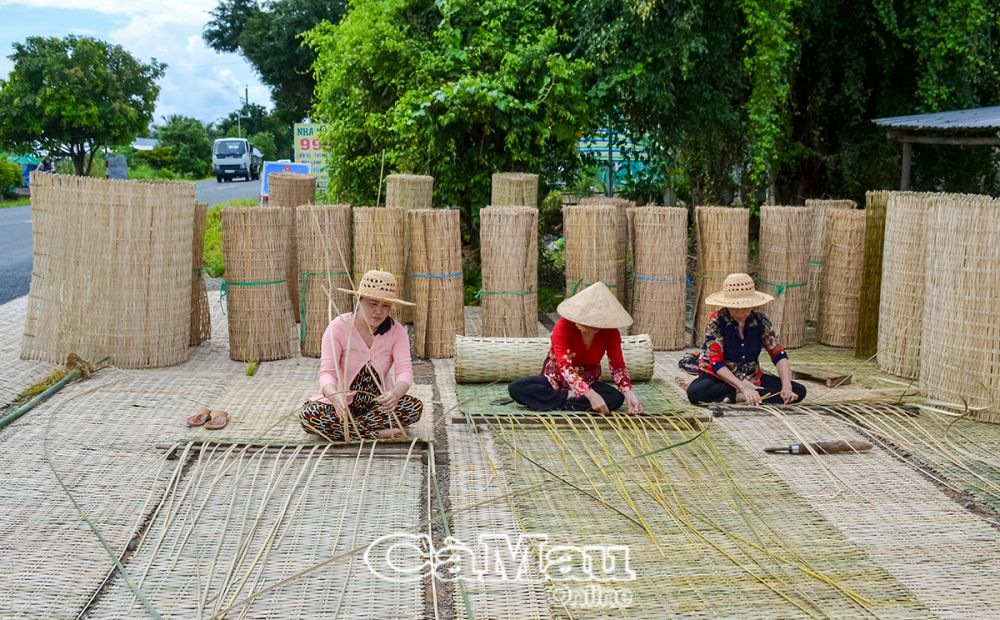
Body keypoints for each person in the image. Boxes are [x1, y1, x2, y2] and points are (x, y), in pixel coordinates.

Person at [299, 270, 423, 441]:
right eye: (373, 303)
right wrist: (334, 396)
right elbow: (327, 373)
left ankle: (350, 430)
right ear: (360, 299)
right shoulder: (338, 327)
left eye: (385, 305)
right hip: (341, 404)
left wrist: (395, 394)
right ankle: (374, 433)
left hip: (378, 405)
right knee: (309, 415)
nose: (379, 311)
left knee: (413, 407)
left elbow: (405, 372)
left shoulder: (397, 332)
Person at [508, 281, 644, 414]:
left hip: (588, 380)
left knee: (615, 398)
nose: (579, 322)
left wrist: (628, 391)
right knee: (517, 388)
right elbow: (565, 367)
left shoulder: (610, 332)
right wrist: (589, 395)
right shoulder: (562, 326)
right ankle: (569, 398)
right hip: (556, 379)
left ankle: (553, 401)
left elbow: (617, 366)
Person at [687, 273, 807, 406]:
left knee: (798, 391)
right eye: (735, 307)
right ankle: (740, 396)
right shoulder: (716, 321)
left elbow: (778, 354)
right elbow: (717, 364)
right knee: (695, 392)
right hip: (721, 378)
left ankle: (740, 397)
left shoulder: (760, 321)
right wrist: (743, 387)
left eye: (744, 307)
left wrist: (787, 387)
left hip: (752, 377)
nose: (740, 312)